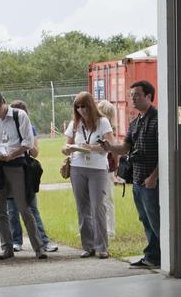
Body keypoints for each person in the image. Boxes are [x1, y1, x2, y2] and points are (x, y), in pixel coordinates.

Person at [0, 90, 46, 259]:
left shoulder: (19, 115)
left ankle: (39, 247)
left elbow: (28, 143)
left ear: (3, 103)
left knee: (24, 207)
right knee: (1, 210)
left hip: (16, 165)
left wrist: (11, 155)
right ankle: (7, 248)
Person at [63, 92, 117, 258]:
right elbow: (65, 145)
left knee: (97, 207)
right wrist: (67, 148)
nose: (81, 110)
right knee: (82, 208)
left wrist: (90, 148)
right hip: (77, 167)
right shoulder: (75, 124)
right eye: (78, 107)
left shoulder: (103, 122)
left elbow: (111, 146)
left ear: (91, 106)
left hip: (98, 168)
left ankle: (102, 247)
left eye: (84, 106)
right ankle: (88, 246)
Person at [117, 81, 159, 268]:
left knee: (155, 219)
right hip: (137, 180)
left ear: (149, 97)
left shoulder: (158, 120)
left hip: (151, 181)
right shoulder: (135, 122)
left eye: (137, 95)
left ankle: (164, 255)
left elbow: (165, 151)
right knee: (145, 219)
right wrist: (108, 147)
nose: (132, 98)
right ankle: (152, 255)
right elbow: (125, 147)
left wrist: (154, 177)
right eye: (131, 95)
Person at [6, 99, 57, 253]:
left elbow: (35, 152)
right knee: (12, 209)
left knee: (32, 207)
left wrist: (26, 143)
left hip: (26, 170)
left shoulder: (30, 128)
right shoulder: (4, 127)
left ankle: (43, 241)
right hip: (9, 169)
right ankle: (16, 241)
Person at [96, 99, 119, 240]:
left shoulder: (109, 129)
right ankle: (102, 227)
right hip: (102, 166)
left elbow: (115, 151)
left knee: (107, 199)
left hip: (108, 167)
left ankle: (110, 230)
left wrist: (115, 168)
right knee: (101, 200)